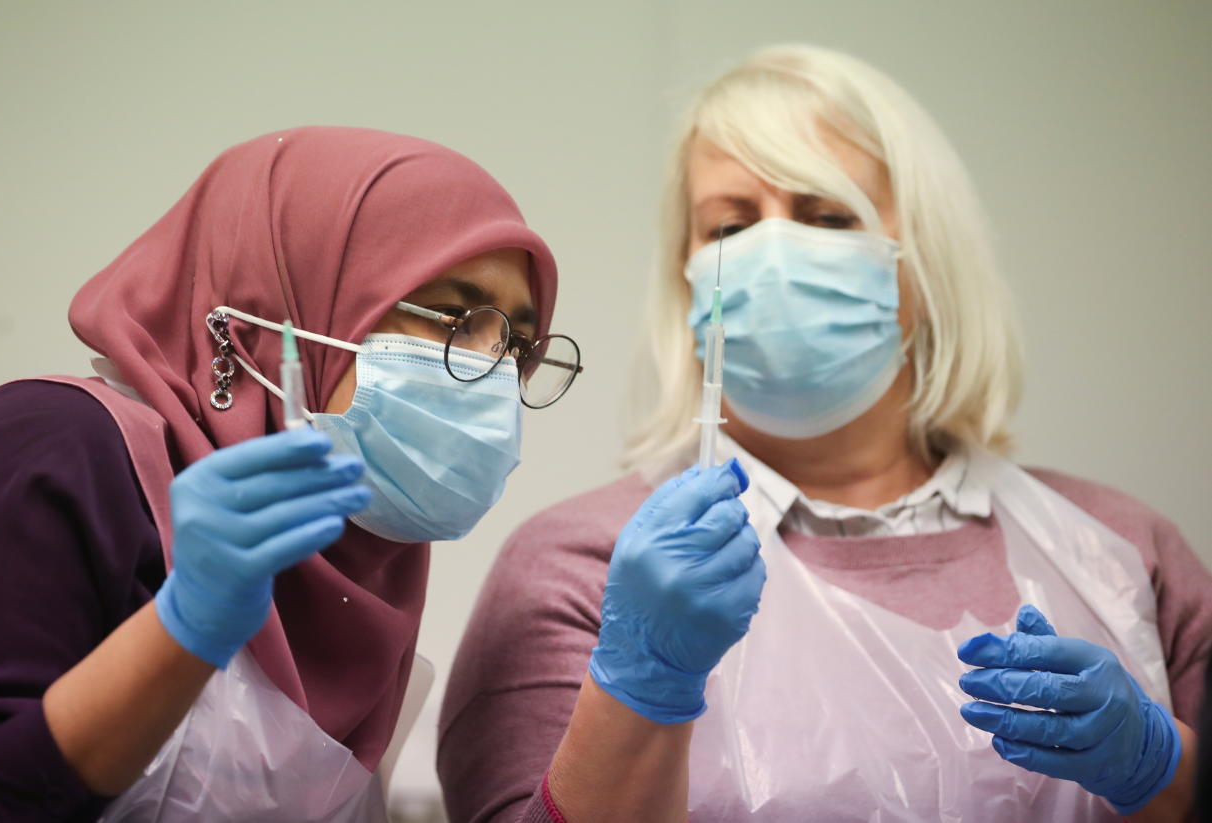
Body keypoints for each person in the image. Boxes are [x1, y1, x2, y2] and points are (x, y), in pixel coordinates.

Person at [437, 46, 1212, 822]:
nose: (774, 256)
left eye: (828, 216)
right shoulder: (585, 565)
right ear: (685, 275)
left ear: (925, 260)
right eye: (730, 227)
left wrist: (1164, 767)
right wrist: (639, 685)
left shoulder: (1117, 553)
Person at [0, 126, 588, 822]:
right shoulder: (51, 447)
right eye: (452, 315)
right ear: (274, 309)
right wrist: (178, 633)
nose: (493, 373)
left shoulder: (366, 559)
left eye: (514, 342)